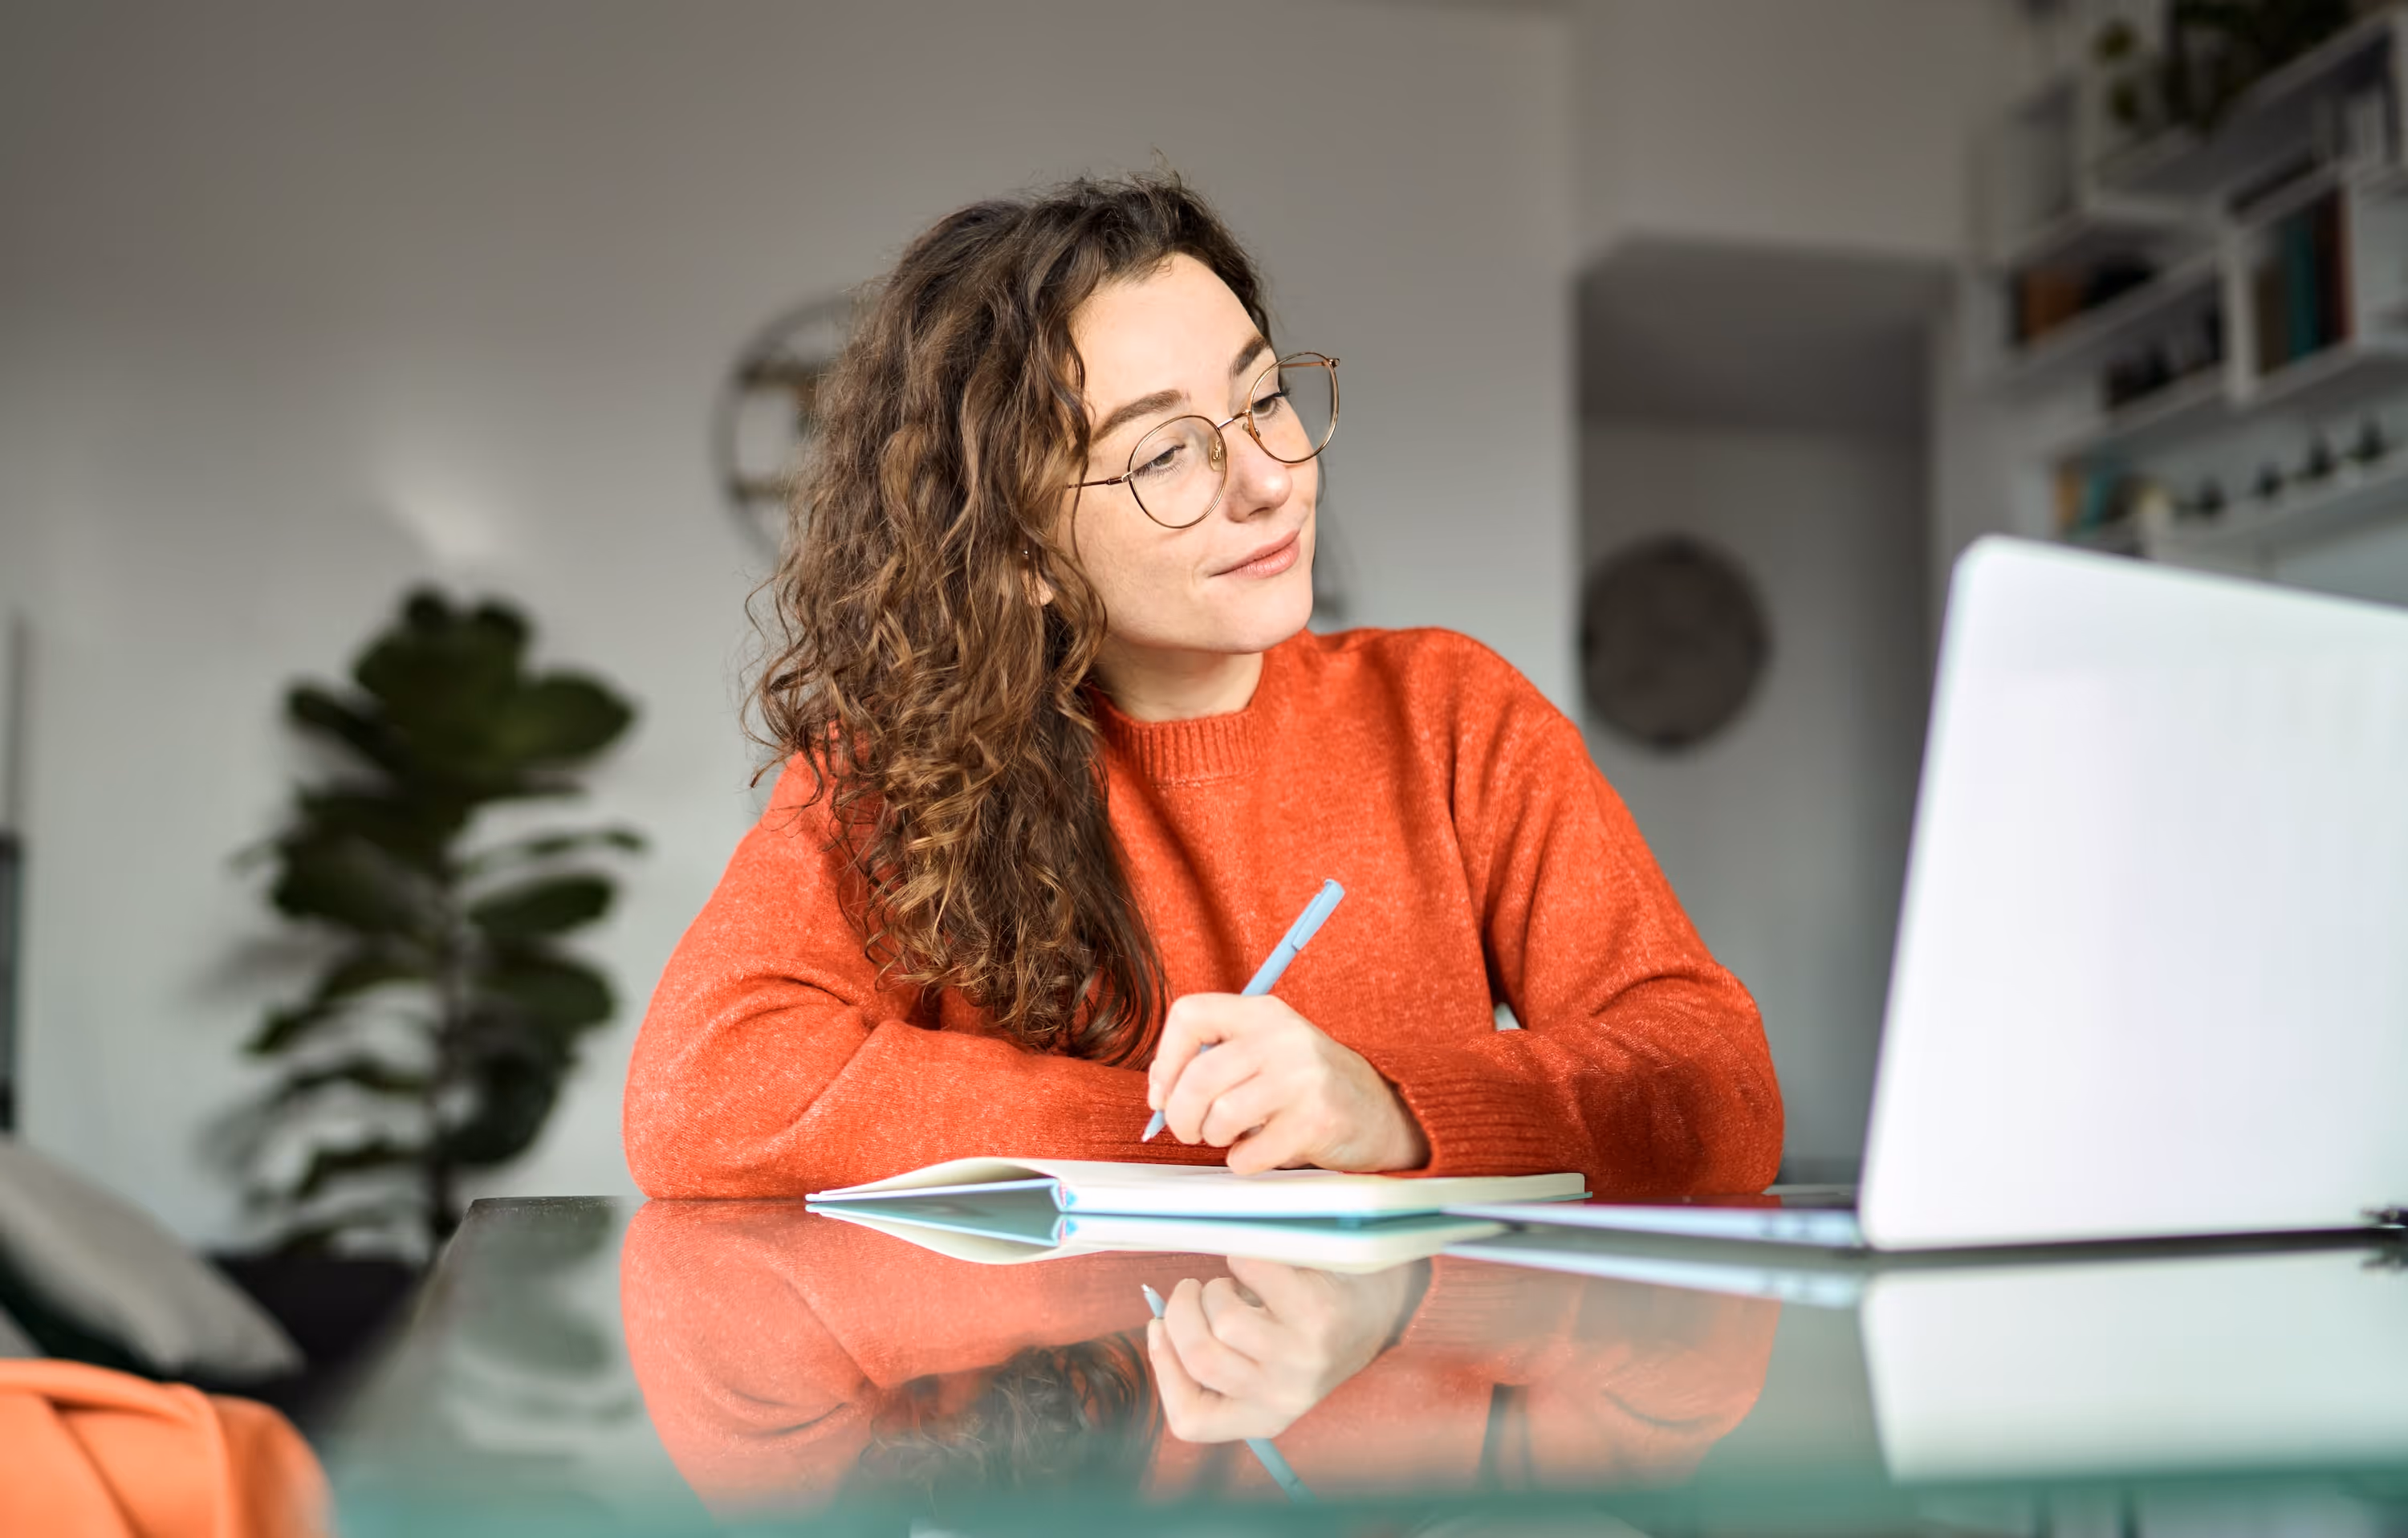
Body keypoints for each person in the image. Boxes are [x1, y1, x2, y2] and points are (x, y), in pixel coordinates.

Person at [624, 173, 1783, 1199]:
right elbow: (701, 1090)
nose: (1271, 480)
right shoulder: (897, 774)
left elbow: (1716, 1087)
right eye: (1167, 451)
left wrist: (1383, 1105)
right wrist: (1194, 1135)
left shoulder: (1452, 716)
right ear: (1019, 551)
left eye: (1266, 398)